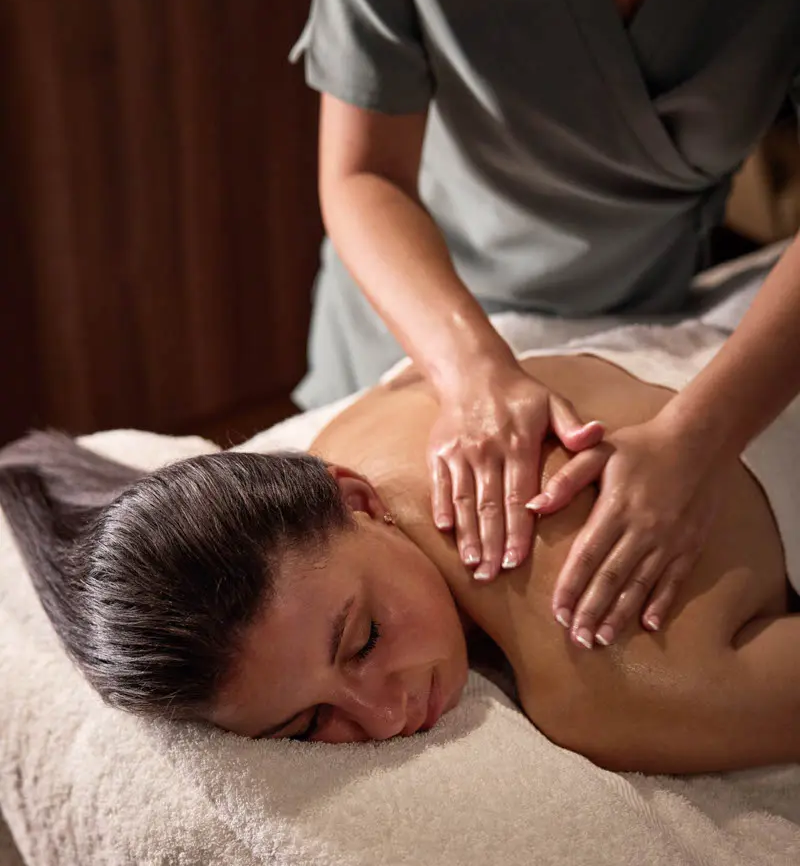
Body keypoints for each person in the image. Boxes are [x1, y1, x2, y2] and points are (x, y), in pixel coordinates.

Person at [290, 0, 800, 652]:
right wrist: (472, 371)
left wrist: (703, 437)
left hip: (642, 330)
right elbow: (364, 174)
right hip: (410, 318)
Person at [2, 327, 799, 775]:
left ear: (357, 500)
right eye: (308, 724)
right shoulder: (350, 434)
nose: (386, 715)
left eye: (364, 639)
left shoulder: (605, 673)